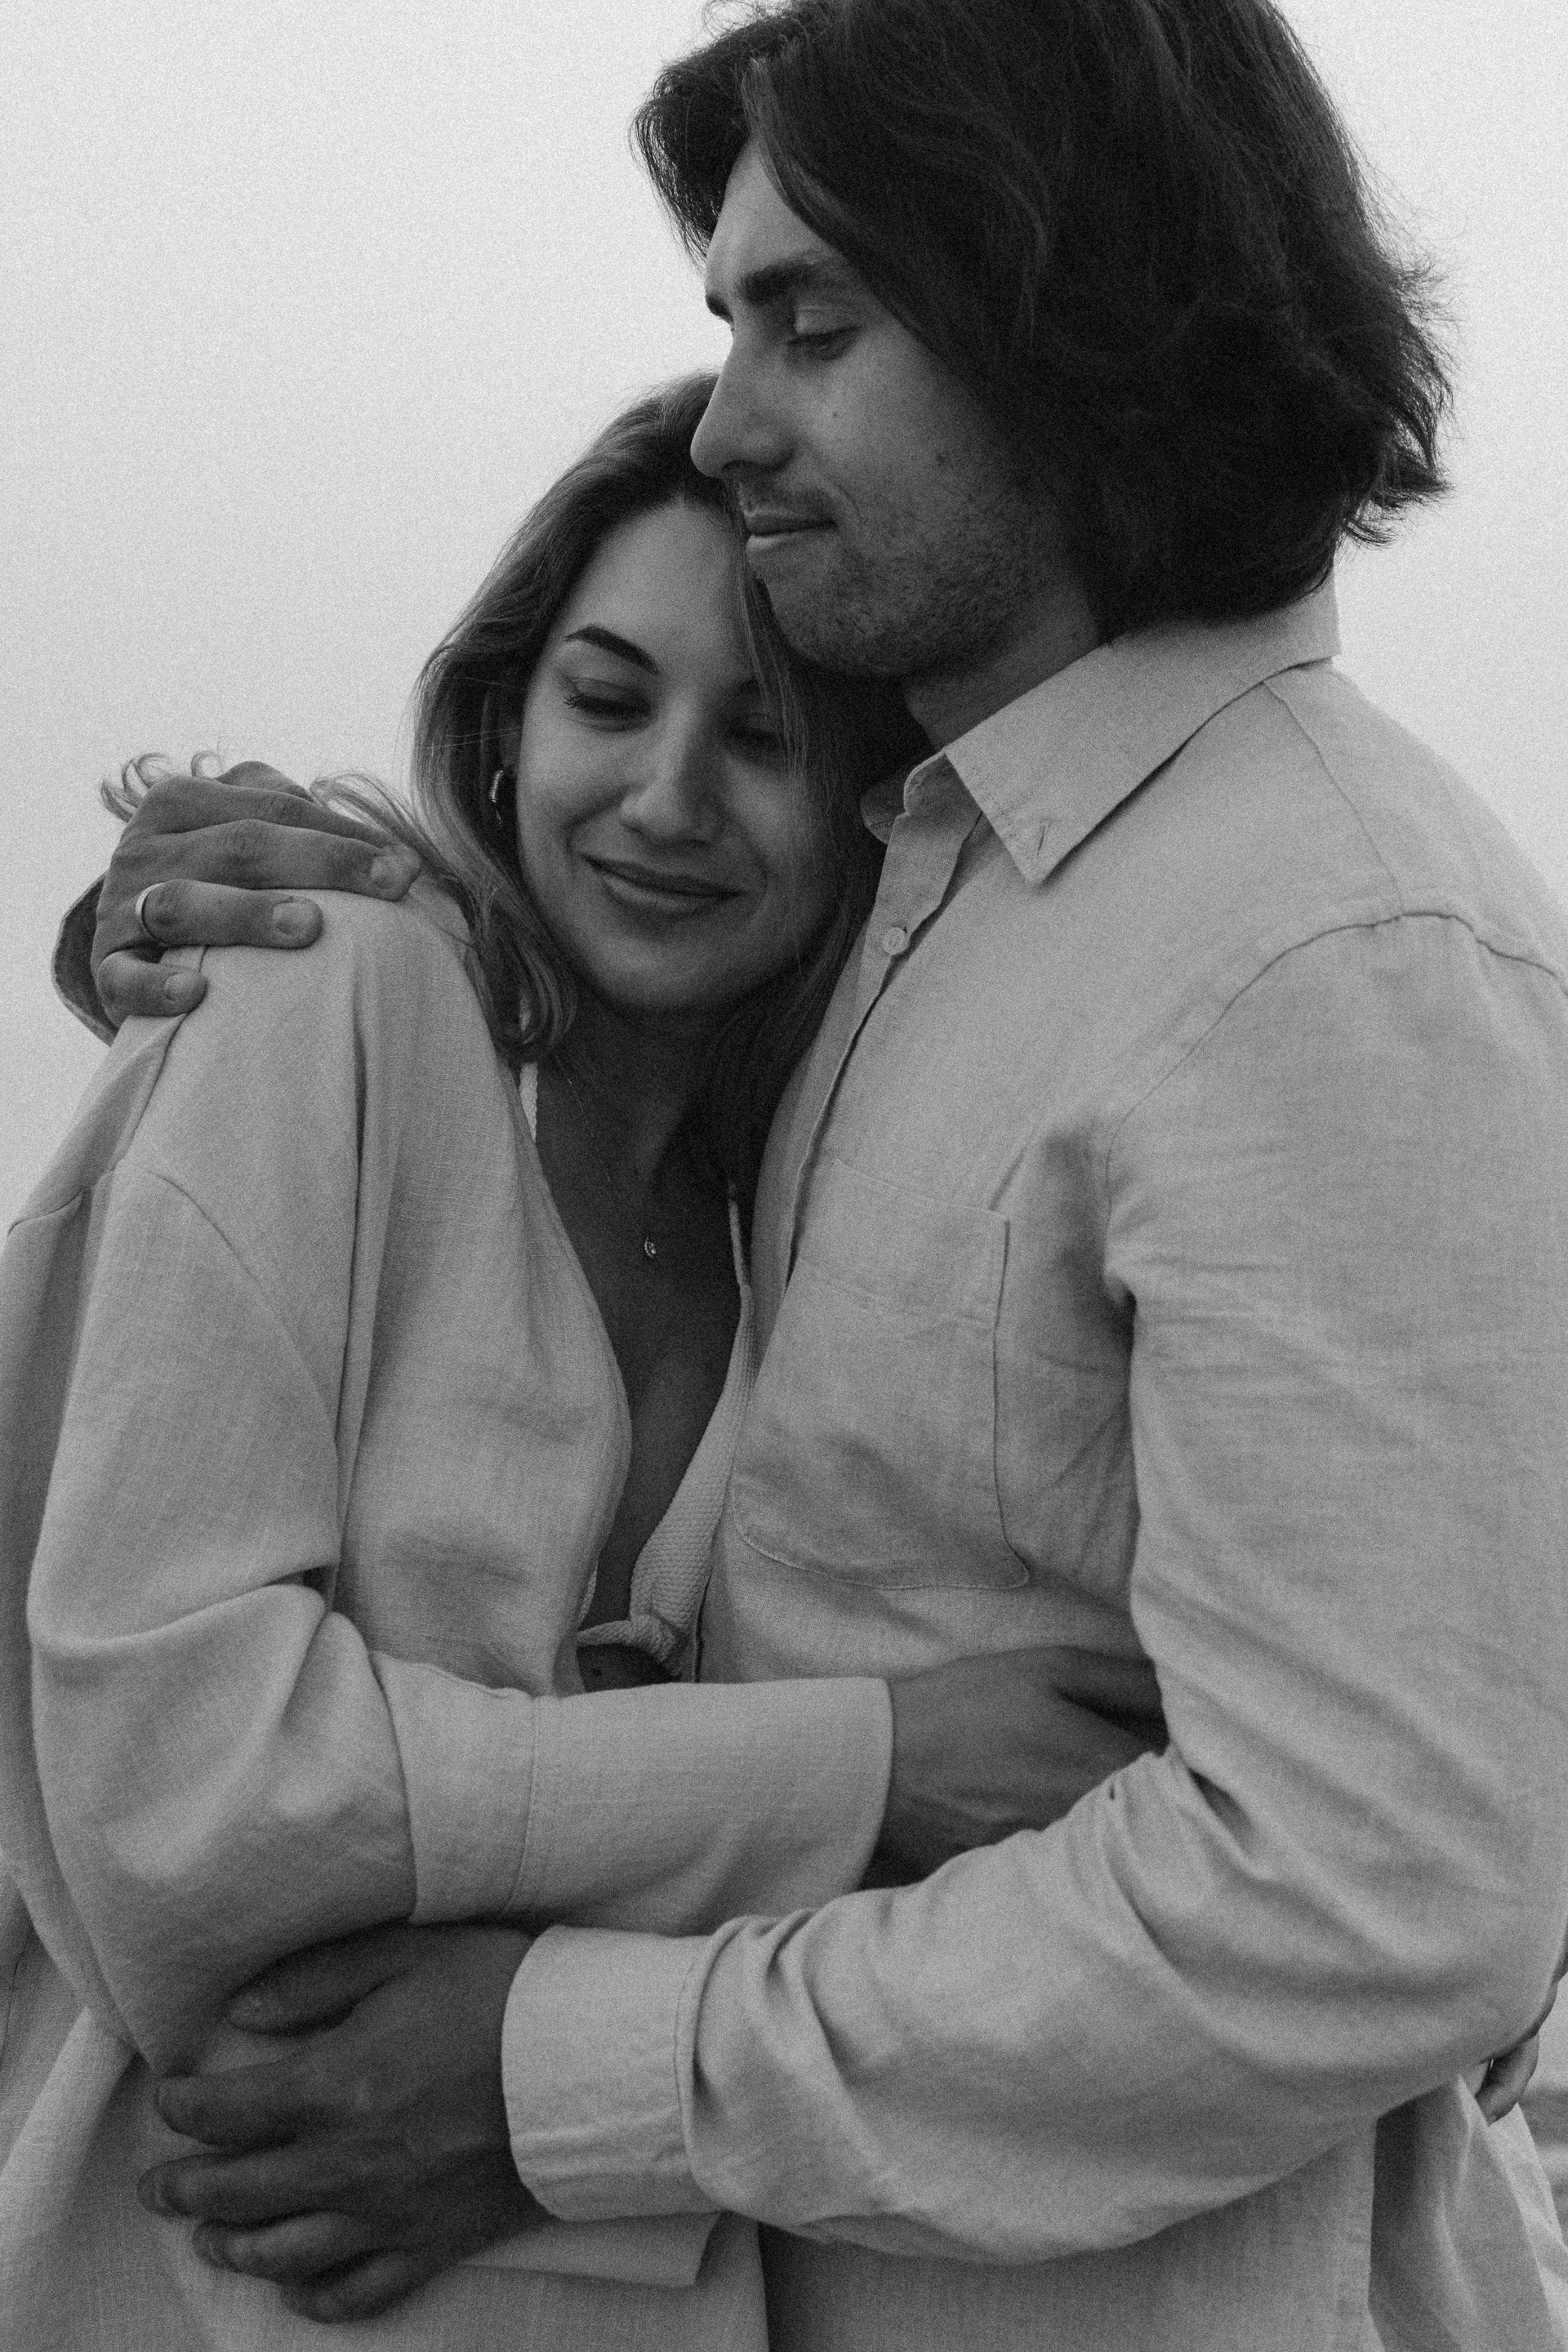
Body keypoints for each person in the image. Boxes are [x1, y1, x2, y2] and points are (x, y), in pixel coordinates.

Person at [49, 1, 1568, 2345]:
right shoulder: (930, 904)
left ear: (1073, 321)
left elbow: (1378, 1893)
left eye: (813, 324)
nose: (730, 420)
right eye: (729, 321)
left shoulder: (1329, 949)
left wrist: (555, 2071)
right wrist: (269, 951)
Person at [0, 371, 1160, 2349]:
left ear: (878, 808)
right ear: (505, 719)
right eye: (608, 700)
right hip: (182, 2286)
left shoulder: (818, 1220)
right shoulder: (329, 998)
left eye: (764, 738)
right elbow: (183, 1812)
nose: (667, 799)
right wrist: (875, 1761)